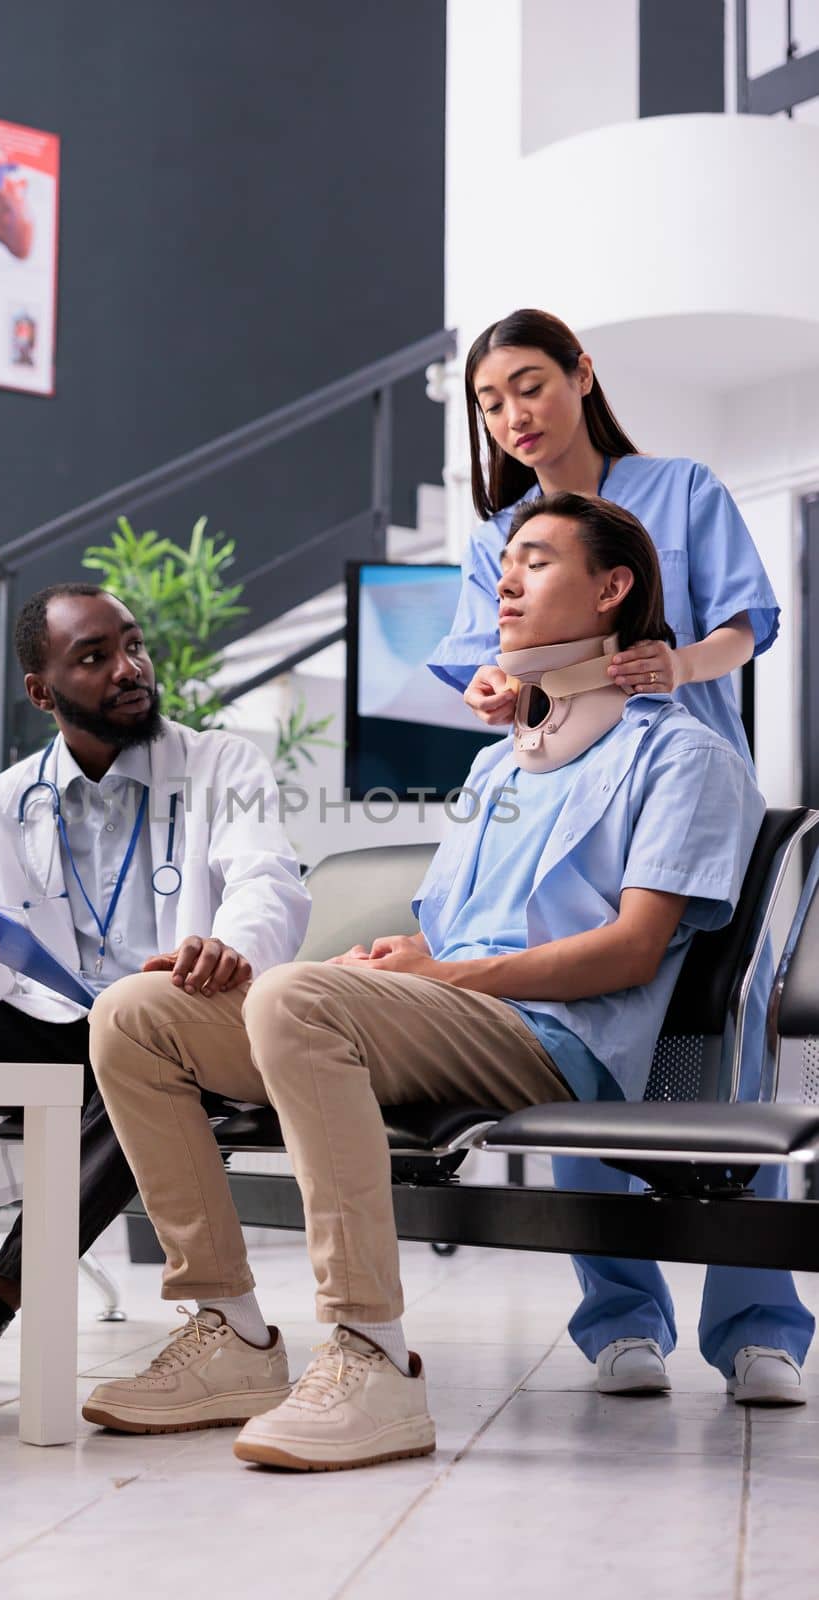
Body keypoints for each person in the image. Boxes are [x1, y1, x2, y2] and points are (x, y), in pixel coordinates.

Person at [81, 493, 796, 1474]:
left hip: (557, 1037)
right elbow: (437, 936)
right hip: (453, 1016)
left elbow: (629, 952)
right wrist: (381, 964)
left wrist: (425, 976)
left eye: (536, 561)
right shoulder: (495, 769)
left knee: (293, 997)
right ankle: (232, 1334)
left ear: (612, 587)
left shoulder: (682, 757)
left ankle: (369, 1355)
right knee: (136, 1014)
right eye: (505, 561)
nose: (502, 579)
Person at [0, 582, 310, 1429]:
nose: (130, 669)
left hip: (168, 1028)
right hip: (44, 1033)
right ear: (42, 692)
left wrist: (232, 944)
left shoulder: (219, 764)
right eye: (94, 657)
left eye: (133, 645)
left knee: (143, 1043)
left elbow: (265, 880)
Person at [428, 307, 813, 1400]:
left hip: (689, 799)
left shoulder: (680, 490)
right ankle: (620, 1315)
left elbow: (746, 625)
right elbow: (484, 674)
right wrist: (497, 692)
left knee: (724, 1055)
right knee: (574, 1039)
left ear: (580, 376)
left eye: (528, 386)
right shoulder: (498, 532)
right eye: (489, 402)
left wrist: (675, 662)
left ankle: (758, 1322)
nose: (511, 416)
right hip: (567, 809)